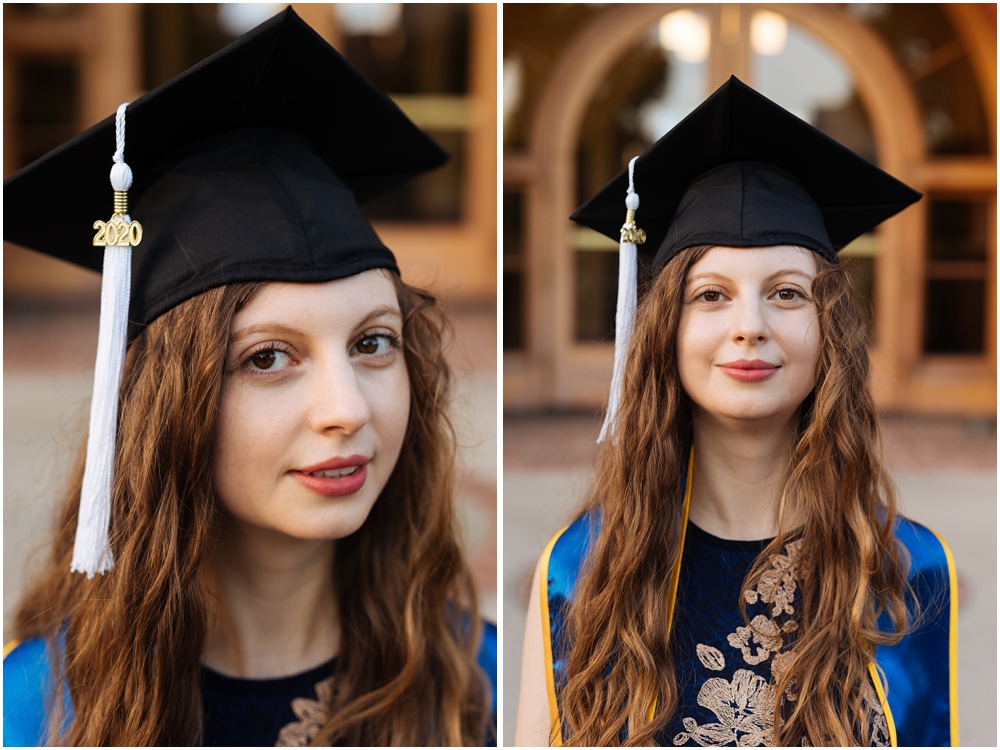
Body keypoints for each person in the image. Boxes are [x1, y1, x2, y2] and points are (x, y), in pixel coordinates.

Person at [3, 9, 496, 747]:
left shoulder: (473, 680)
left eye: (373, 342)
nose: (346, 408)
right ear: (165, 406)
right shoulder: (39, 708)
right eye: (268, 357)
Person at [515, 78, 956, 747]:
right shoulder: (583, 567)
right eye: (712, 295)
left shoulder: (907, 569)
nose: (749, 326)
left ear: (828, 331)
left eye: (785, 293)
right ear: (665, 329)